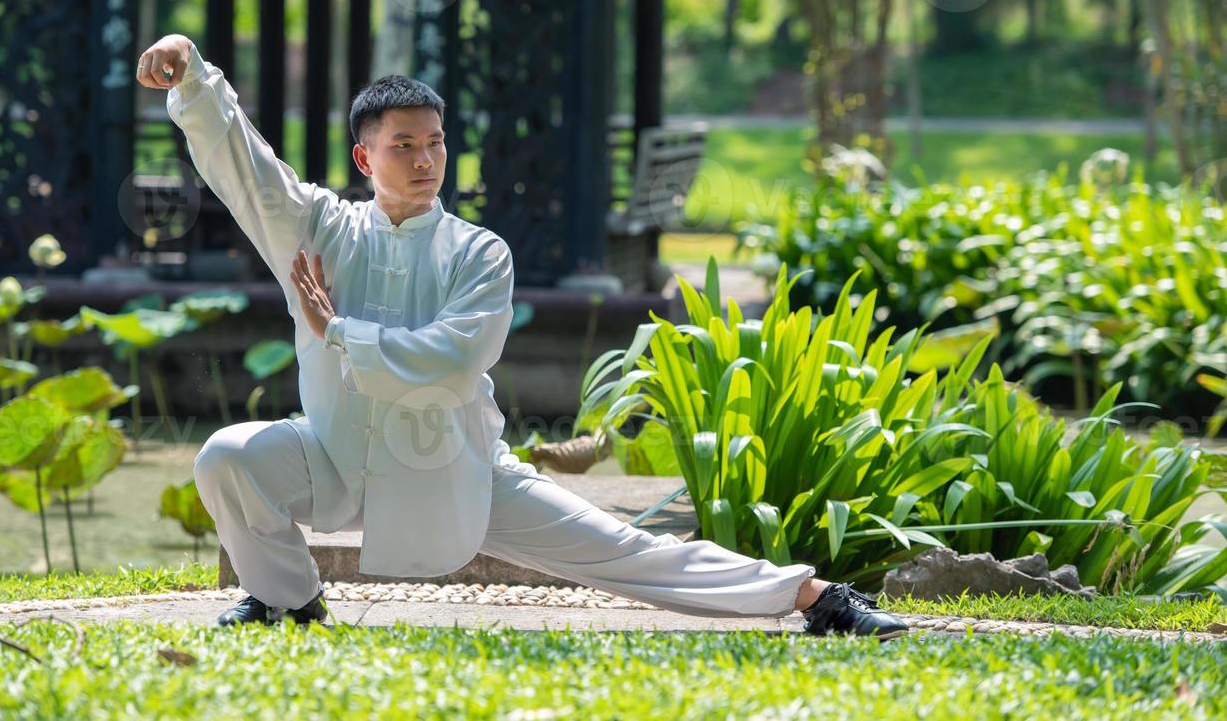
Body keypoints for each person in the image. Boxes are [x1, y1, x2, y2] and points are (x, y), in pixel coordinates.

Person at [135, 34, 907, 639]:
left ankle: (817, 596)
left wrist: (339, 332)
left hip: (456, 470)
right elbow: (248, 170)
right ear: (365, 157)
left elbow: (454, 360)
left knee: (625, 551)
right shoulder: (318, 229)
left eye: (435, 142)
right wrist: (193, 74)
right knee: (229, 455)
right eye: (403, 145)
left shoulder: (479, 252)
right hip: (335, 455)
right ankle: (288, 601)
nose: (425, 159)